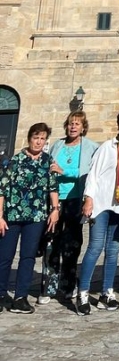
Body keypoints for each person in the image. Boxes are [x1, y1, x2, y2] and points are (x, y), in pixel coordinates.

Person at [78, 109, 119, 315]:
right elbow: (93, 174)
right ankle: (83, 293)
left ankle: (107, 293)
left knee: (113, 250)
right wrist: (88, 199)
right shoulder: (107, 147)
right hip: (101, 205)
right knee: (95, 247)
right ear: (118, 125)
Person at [0, 123, 60, 314]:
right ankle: (1, 294)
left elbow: (53, 187)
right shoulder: (15, 161)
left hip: (36, 217)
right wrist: (0, 216)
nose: (39, 142)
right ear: (29, 138)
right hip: (12, 215)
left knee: (28, 257)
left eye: (42, 138)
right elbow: (1, 189)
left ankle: (20, 297)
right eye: (36, 138)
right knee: (5, 256)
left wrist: (55, 209)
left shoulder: (48, 161)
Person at [42, 111, 98, 302]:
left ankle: (68, 285)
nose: (73, 126)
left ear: (83, 128)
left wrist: (64, 171)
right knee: (52, 242)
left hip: (75, 199)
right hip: (55, 199)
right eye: (70, 123)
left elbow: (89, 172)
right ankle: (49, 287)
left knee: (72, 244)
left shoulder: (91, 147)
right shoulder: (57, 145)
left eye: (77, 124)